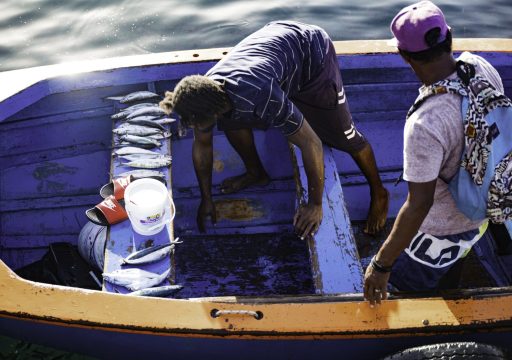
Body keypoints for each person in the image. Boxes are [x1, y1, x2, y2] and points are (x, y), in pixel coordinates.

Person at [160, 20, 389, 237]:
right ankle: (256, 174)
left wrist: (315, 205)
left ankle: (379, 192)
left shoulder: (259, 93)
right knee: (231, 120)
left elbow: (312, 144)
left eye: (198, 124)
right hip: (276, 54)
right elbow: (202, 144)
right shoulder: (206, 93)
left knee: (345, 137)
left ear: (209, 112)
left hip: (312, 54)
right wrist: (206, 198)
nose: (196, 129)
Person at [363, 1, 505, 305]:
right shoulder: (480, 68)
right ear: (449, 37)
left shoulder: (425, 124)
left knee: (407, 285)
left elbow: (419, 204)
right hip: (484, 209)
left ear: (404, 55)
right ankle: (450, 292)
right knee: (454, 266)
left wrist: (381, 265)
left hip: (444, 229)